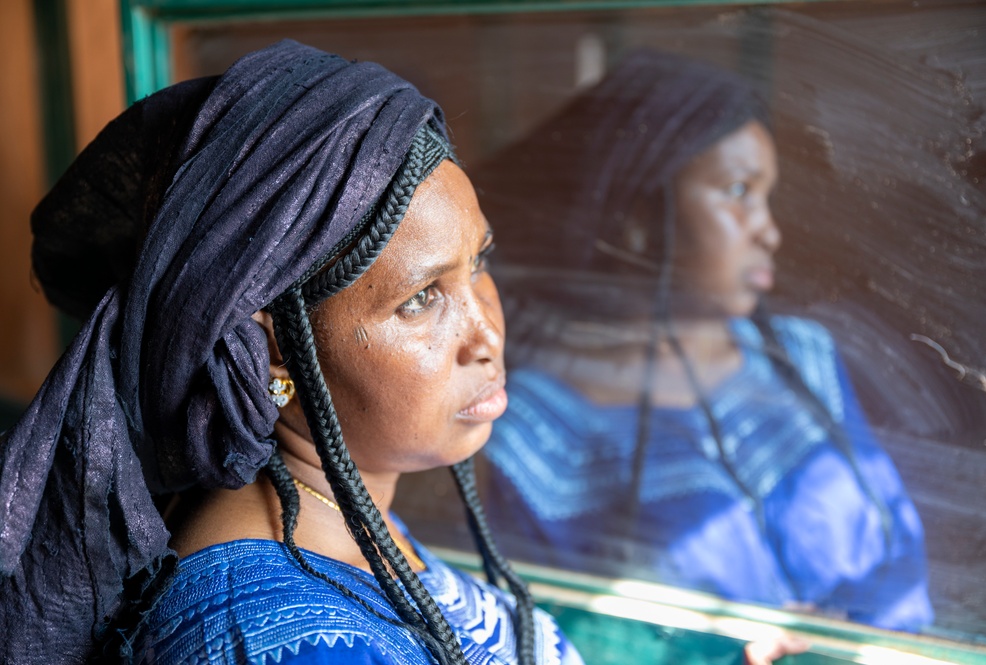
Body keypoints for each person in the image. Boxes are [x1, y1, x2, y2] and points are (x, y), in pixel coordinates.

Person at [0, 41, 584, 665]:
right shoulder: (275, 639)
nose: (487, 335)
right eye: (420, 299)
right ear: (273, 345)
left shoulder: (343, 521)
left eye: (480, 263)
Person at [474, 50, 934, 633]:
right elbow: (550, 629)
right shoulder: (539, 433)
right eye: (737, 190)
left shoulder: (801, 360)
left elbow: (899, 557)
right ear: (640, 214)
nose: (769, 230)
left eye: (766, 196)